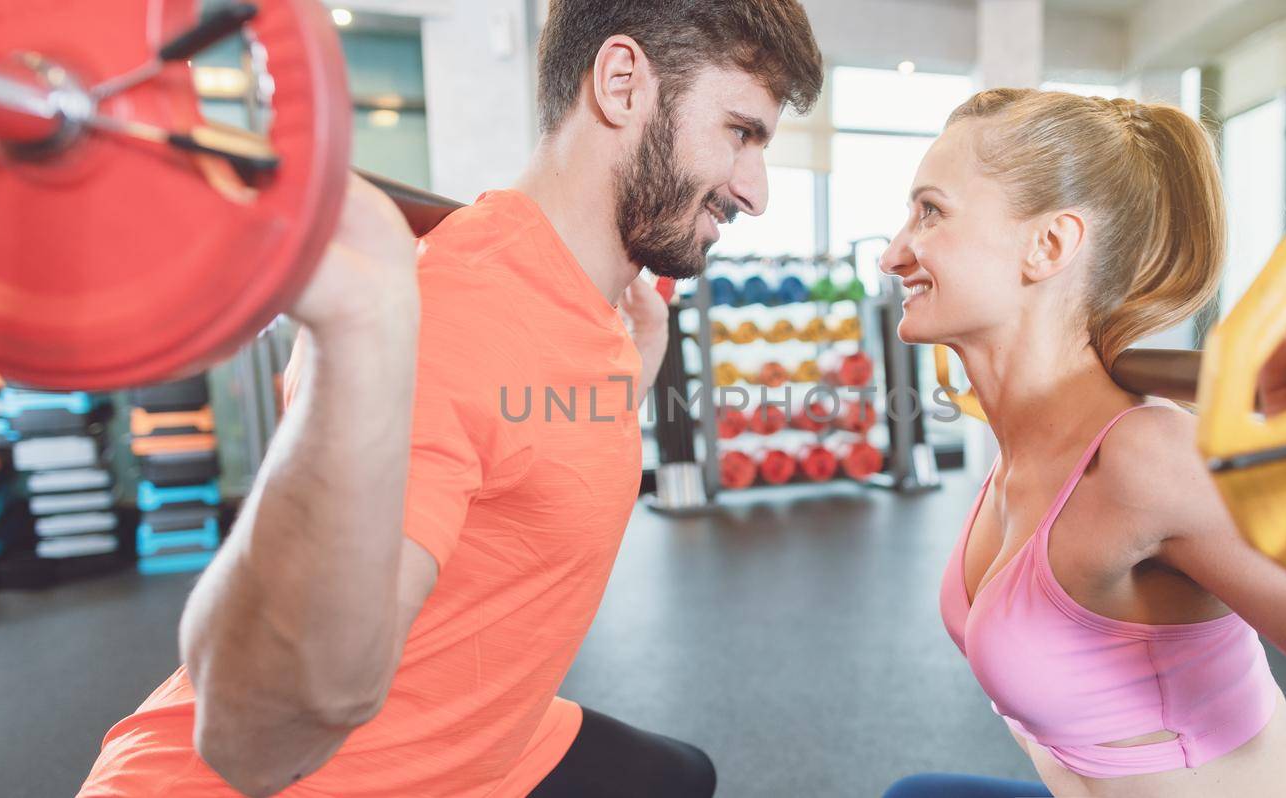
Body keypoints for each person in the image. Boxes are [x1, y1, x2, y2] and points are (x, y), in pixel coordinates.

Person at [79, 2, 823, 796]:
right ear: (620, 83)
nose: (755, 193)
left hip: (484, 742)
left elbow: (522, 460)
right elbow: (255, 740)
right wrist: (366, 331)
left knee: (680, 778)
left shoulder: (590, 305)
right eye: (741, 133)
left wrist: (627, 381)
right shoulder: (453, 317)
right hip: (305, 778)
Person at [878, 88, 1286, 798]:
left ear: (1049, 246)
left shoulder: (1149, 461)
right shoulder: (1021, 441)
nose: (893, 253)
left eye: (930, 211)